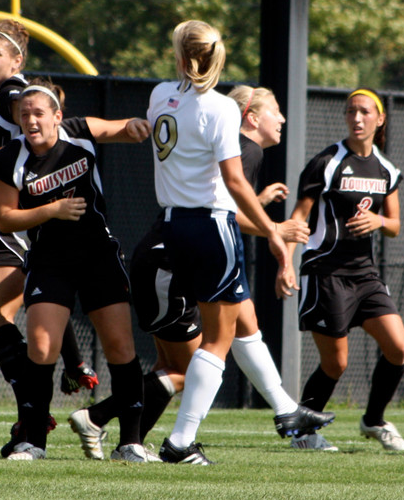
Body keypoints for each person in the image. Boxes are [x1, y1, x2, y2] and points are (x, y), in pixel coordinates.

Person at [68, 85, 333, 456]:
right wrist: (275, 231)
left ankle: (284, 409)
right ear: (251, 117)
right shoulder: (247, 147)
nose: (283, 119)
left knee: (240, 322)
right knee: (191, 366)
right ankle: (112, 422)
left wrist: (263, 217)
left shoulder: (180, 107)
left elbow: (218, 201)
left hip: (169, 255)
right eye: (276, 110)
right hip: (169, 264)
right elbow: (224, 211)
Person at [146, 20, 293, 465]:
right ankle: (179, 442)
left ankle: (283, 409)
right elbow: (234, 181)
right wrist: (272, 232)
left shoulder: (157, 96)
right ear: (218, 59)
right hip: (211, 226)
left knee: (219, 335)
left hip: (170, 225)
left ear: (179, 55)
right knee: (219, 340)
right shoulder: (221, 109)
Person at [0, 80, 152, 461]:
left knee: (120, 346)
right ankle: (33, 442)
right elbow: (4, 217)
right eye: (24, 114)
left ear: (57, 117)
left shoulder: (77, 132)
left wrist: (136, 127)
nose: (30, 119)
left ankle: (131, 443)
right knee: (42, 347)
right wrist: (52, 210)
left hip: (98, 255)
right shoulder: (10, 158)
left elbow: (120, 129)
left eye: (38, 113)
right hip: (49, 260)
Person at [0, 21, 98, 458]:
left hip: (26, 223)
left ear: (16, 60)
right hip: (27, 221)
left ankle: (37, 408)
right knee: (2, 314)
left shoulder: (10, 93)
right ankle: (64, 373)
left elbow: (45, 117)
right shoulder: (0, 95)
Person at [286, 88, 404, 453]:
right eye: (351, 111)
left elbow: (396, 224)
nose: (357, 118)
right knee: (336, 363)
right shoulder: (326, 162)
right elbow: (298, 218)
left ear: (380, 118)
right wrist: (285, 263)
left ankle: (373, 420)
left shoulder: (386, 169)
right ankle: (302, 433)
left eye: (365, 112)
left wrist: (377, 220)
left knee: (398, 348)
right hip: (325, 271)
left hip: (364, 275)